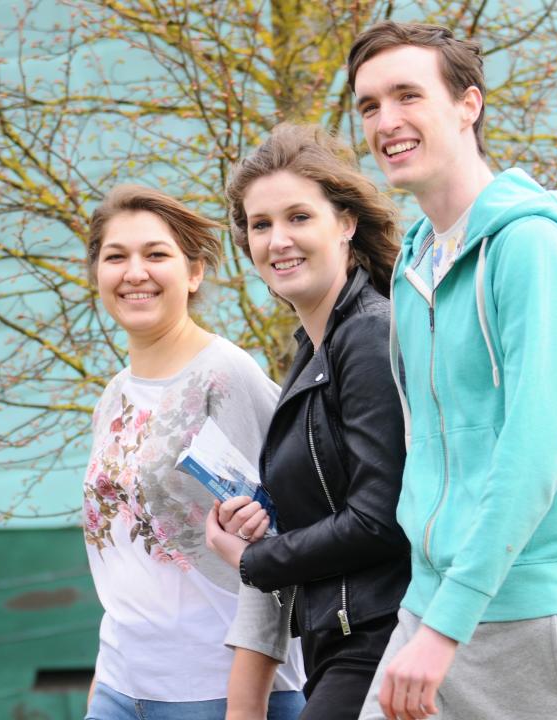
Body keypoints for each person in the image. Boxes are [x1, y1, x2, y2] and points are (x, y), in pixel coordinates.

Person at [347, 21, 557, 720]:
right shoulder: (415, 266)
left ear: (468, 104)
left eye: (408, 96)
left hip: (534, 625)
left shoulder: (531, 247)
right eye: (368, 105)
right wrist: (434, 613)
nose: (386, 122)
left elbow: (533, 452)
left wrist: (448, 625)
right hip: (433, 608)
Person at [204, 124, 411, 720]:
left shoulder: (370, 334)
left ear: (345, 223)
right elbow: (331, 493)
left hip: (380, 637)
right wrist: (260, 518)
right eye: (261, 224)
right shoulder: (313, 349)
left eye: (299, 217)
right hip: (337, 637)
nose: (278, 240)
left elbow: (381, 517)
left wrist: (256, 561)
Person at [81, 184, 305, 720]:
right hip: (120, 687)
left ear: (194, 272)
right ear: (97, 275)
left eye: (156, 255)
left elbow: (277, 549)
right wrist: (100, 688)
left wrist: (244, 707)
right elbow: (121, 557)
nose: (135, 272)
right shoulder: (114, 397)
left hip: (216, 693)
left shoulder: (223, 378)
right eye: (116, 257)